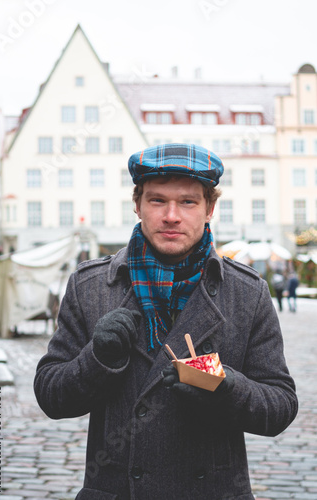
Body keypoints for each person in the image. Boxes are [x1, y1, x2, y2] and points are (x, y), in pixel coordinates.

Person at [34, 143, 298, 500]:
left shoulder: (247, 292)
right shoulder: (90, 286)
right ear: (137, 204)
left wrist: (223, 384)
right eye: (157, 200)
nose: (171, 215)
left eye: (188, 202)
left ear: (210, 208)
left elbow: (280, 407)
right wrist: (97, 358)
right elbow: (51, 396)